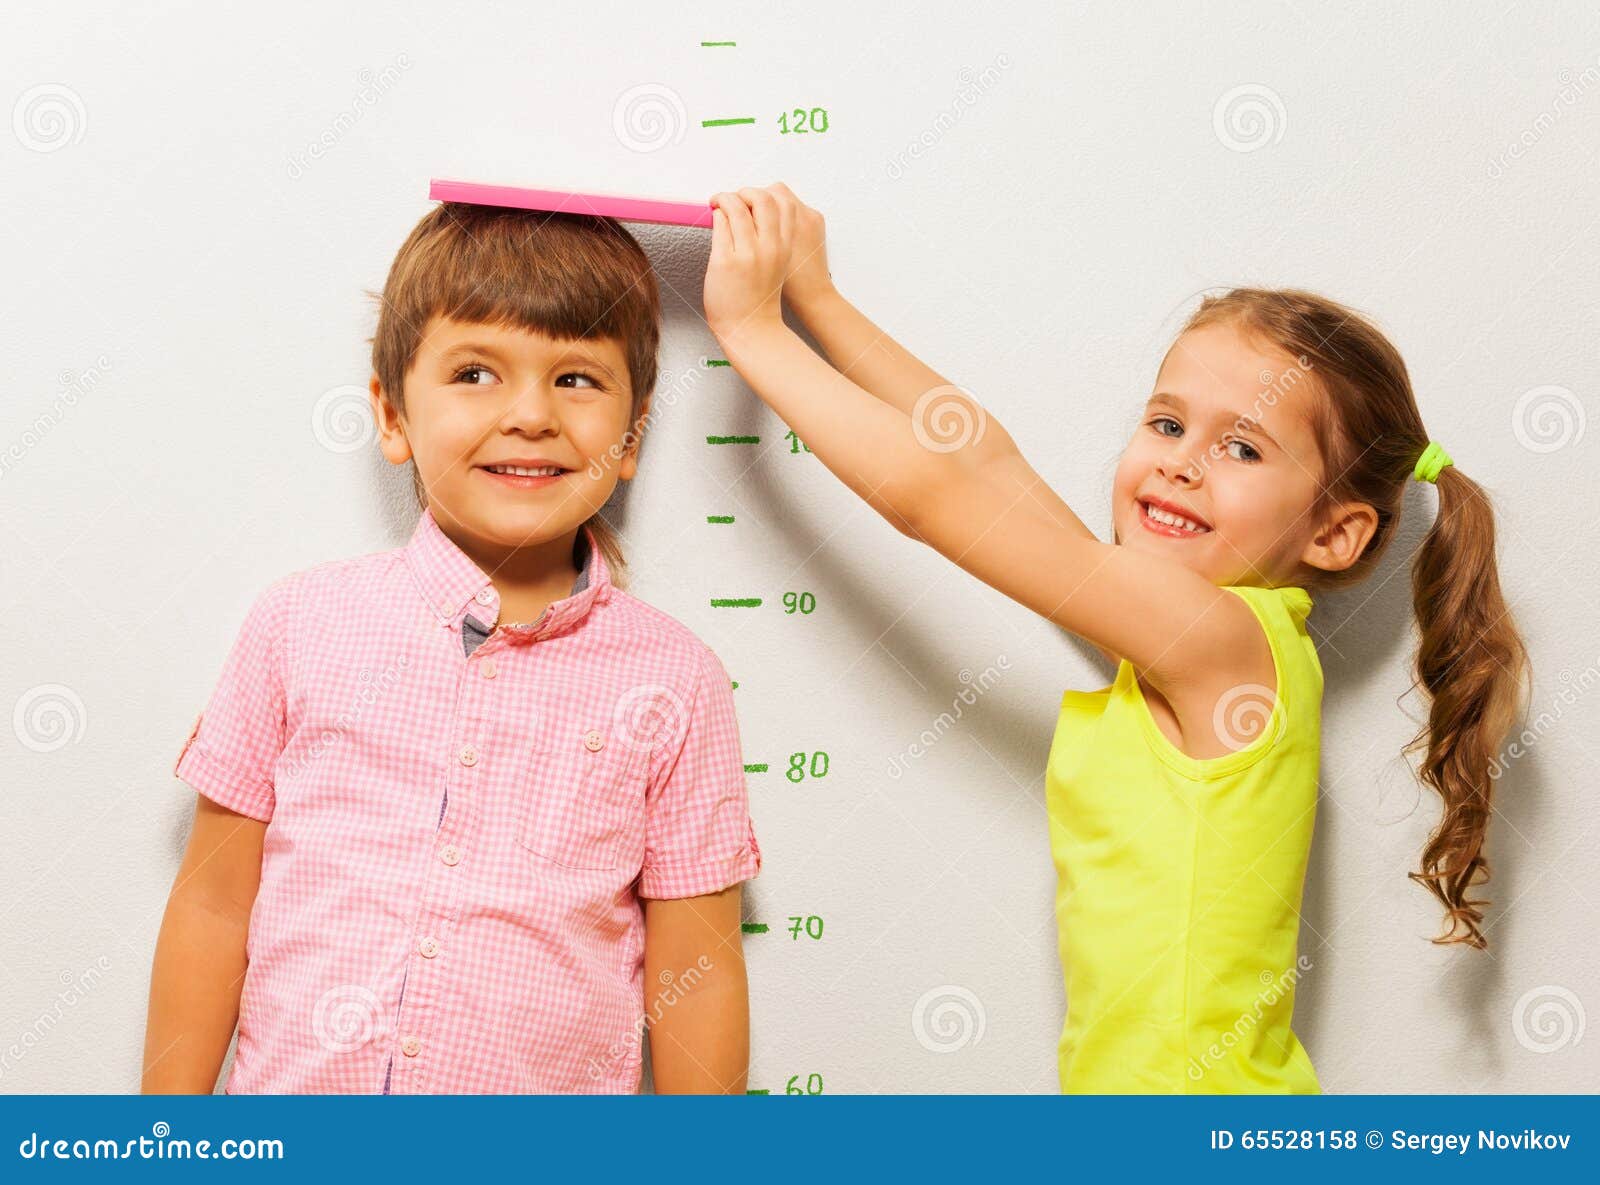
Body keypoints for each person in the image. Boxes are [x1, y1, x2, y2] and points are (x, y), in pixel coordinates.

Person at [700, 182, 1528, 1092]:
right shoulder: (1209, 638)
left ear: (1334, 532)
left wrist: (755, 335)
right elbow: (984, 462)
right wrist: (816, 299)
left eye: (1242, 449)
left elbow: (942, 500)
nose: (1181, 459)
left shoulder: (1224, 642)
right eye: (1168, 423)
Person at [144, 202, 761, 1094]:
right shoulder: (296, 625)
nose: (530, 414)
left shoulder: (676, 681)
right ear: (392, 414)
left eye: (578, 379)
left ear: (632, 436)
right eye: (476, 371)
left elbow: (695, 973)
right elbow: (211, 904)